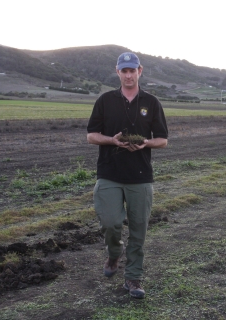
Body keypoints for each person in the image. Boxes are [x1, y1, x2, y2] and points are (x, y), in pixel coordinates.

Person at [87, 52, 168, 299]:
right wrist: (111, 140)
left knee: (138, 230)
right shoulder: (105, 100)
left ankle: (133, 277)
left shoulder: (151, 102)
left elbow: (162, 140)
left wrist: (146, 143)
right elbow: (91, 135)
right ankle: (113, 254)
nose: (129, 75)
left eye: (133, 70)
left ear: (140, 71)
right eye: (125, 71)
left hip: (141, 177)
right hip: (109, 172)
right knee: (110, 222)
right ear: (118, 72)